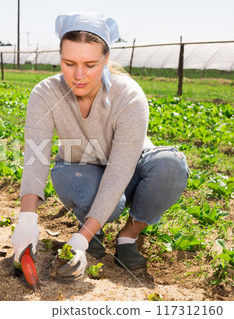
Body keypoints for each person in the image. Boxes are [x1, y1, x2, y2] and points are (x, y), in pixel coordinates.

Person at [11, 12, 189, 280]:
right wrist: (27, 220)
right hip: (80, 168)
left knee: (171, 166)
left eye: (90, 64)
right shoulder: (45, 93)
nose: (79, 75)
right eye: (69, 63)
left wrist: (80, 240)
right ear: (59, 58)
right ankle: (93, 228)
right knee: (87, 187)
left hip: (129, 168)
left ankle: (127, 238)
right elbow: (36, 156)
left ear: (106, 59)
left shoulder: (128, 95)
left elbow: (119, 171)